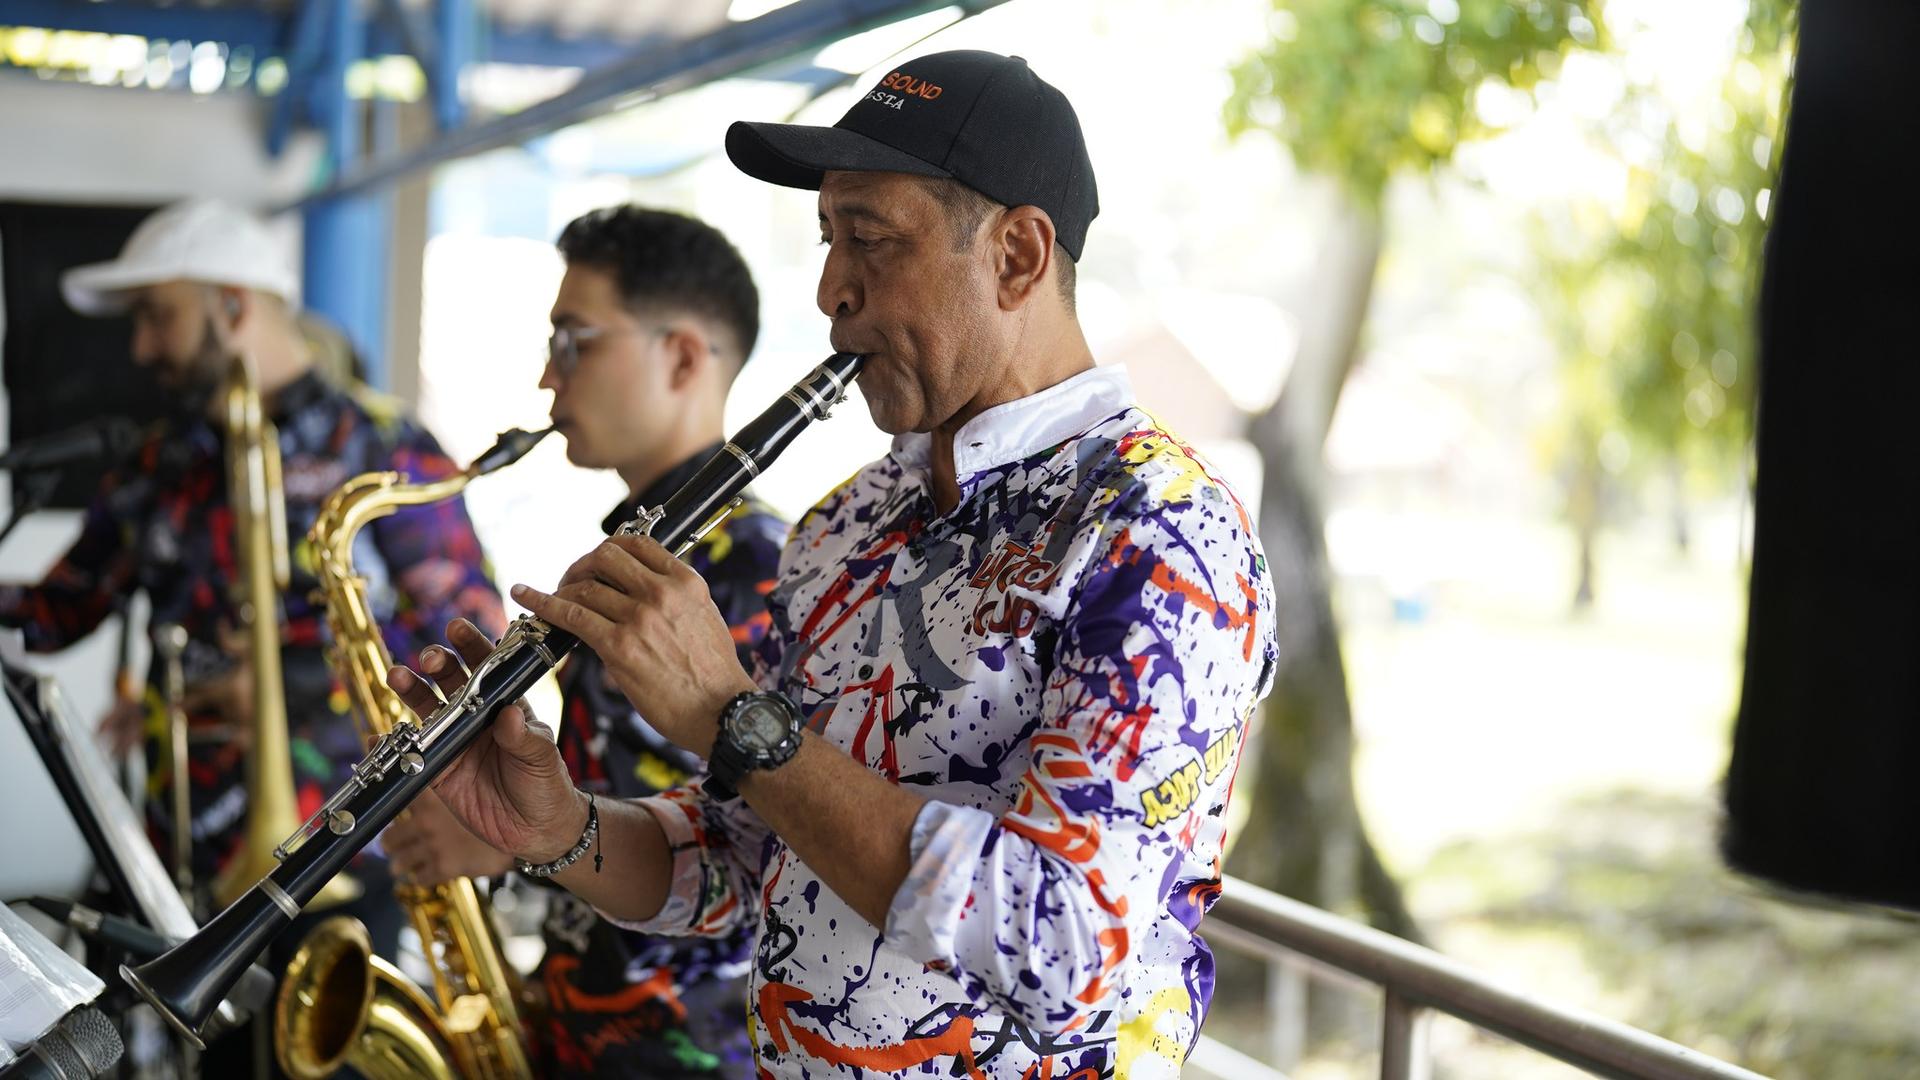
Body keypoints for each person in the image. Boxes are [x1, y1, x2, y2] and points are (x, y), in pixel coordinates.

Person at [396, 50, 1278, 1078]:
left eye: (871, 239)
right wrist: (561, 829)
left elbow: (1064, 944)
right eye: (826, 237)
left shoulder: (1161, 529)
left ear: (1018, 255)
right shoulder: (848, 523)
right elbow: (742, 857)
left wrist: (732, 717)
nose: (830, 291)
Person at [0, 198, 503, 990]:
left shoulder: (384, 447)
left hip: (346, 845)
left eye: (158, 316)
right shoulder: (159, 460)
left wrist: (293, 682)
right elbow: (60, 609)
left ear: (232, 307)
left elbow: (475, 642)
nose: (141, 347)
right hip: (183, 851)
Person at [381, 205, 786, 1078]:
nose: (546, 378)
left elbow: (760, 848)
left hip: (682, 1051)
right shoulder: (652, 551)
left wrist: (507, 846)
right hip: (587, 1023)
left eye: (574, 341)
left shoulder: (757, 568)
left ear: (682, 357)